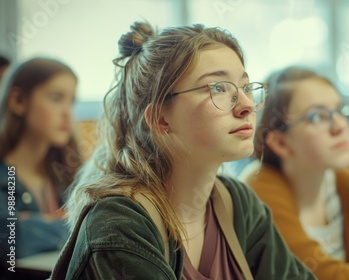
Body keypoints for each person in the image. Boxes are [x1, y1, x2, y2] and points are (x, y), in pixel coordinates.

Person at [51, 22, 315, 279]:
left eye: (245, 87)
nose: (246, 105)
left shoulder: (238, 202)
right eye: (218, 88)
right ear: (161, 119)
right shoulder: (119, 223)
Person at [241, 67, 349, 280]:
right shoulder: (259, 188)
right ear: (281, 143)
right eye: (317, 117)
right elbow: (326, 277)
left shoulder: (344, 181)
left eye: (341, 112)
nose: (340, 127)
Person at [0, 58, 81, 261]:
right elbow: (10, 239)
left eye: (71, 101)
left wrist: (36, 223)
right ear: (18, 101)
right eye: (56, 98)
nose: (66, 113)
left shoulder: (66, 174)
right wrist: (71, 224)